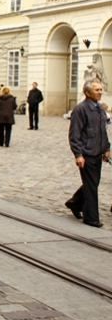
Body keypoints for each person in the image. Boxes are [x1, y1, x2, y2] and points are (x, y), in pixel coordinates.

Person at [65, 81, 110, 228]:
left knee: (92, 183)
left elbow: (102, 132)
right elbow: (74, 134)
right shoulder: (80, 109)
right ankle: (91, 218)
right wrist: (78, 154)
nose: (100, 92)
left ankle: (75, 203)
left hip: (97, 152)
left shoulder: (100, 109)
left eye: (101, 89)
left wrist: (106, 148)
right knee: (91, 186)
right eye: (97, 90)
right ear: (87, 93)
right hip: (86, 153)